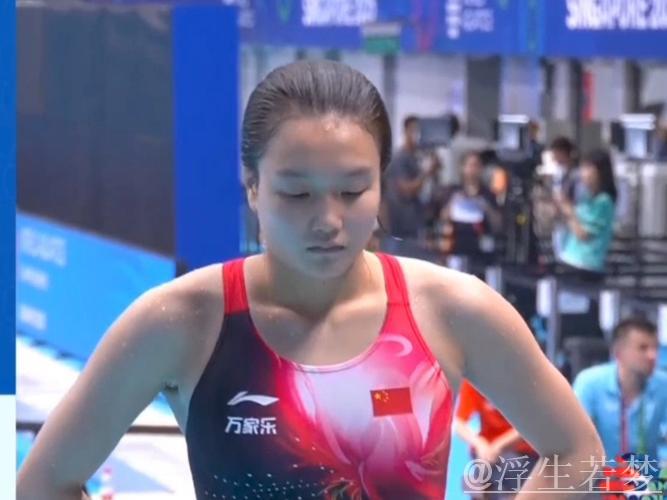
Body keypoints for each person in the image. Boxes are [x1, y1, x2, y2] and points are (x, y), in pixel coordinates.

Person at [17, 60, 603, 500]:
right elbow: (45, 482)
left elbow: (577, 451)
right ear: (253, 188)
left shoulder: (453, 310)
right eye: (296, 194)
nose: (328, 220)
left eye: (352, 190)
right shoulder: (183, 321)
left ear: (381, 183)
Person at [573, 317, 667, 462]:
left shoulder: (663, 384)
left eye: (655, 348)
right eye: (643, 348)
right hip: (601, 473)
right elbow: (575, 438)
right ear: (618, 353)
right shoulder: (590, 383)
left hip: (647, 473)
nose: (652, 355)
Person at [455, 380, 539, 499]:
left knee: (506, 473)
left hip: (522, 453)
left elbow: (533, 423)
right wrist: (479, 444)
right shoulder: (474, 380)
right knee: (475, 480)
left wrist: (499, 447)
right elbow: (459, 423)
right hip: (488, 455)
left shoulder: (524, 378)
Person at [556, 149, 617, 280]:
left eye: (588, 168)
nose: (583, 173)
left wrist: (569, 212)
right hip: (570, 260)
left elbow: (583, 235)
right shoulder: (586, 197)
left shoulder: (604, 202)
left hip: (586, 266)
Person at [436, 151, 502, 257]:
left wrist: (487, 208)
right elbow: (442, 218)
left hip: (480, 249)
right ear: (463, 168)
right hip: (455, 246)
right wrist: (453, 203)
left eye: (476, 166)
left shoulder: (488, 194)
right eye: (470, 165)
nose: (472, 170)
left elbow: (498, 226)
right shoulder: (453, 191)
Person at [384, 115, 438, 241]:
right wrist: (426, 173)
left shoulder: (416, 156)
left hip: (416, 222)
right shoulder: (400, 158)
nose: (417, 134)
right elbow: (406, 191)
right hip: (402, 224)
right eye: (414, 130)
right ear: (406, 131)